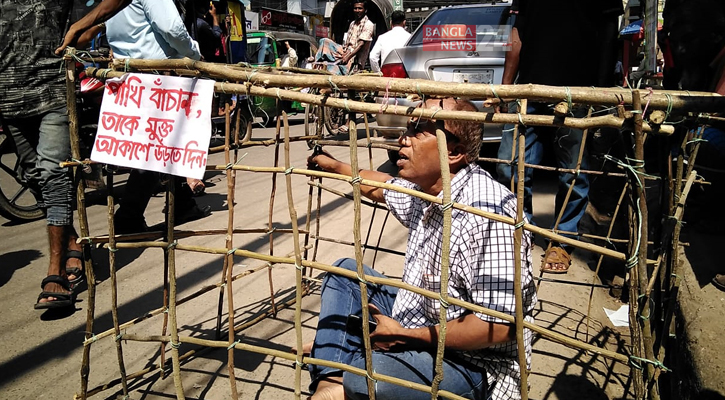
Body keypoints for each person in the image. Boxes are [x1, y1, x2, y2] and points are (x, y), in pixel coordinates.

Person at [307, 98, 537, 400]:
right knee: (344, 274)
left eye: (418, 131)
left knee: (374, 380)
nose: (404, 139)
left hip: (471, 362)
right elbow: (381, 186)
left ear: (453, 152)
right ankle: (332, 381)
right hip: (419, 318)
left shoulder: (488, 213)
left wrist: (406, 336)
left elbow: (497, 326)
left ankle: (342, 373)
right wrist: (334, 165)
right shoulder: (427, 191)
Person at [495, 0, 622, 274]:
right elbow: (517, 35)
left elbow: (611, 32)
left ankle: (563, 240)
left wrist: (599, 89)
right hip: (530, 88)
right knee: (509, 165)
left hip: (577, 90)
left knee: (573, 173)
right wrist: (506, 86)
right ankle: (522, 230)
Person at [1, 0, 96, 309]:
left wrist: (79, 32)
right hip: (8, 99)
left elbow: (97, 19)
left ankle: (54, 270)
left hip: (53, 90)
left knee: (53, 172)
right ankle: (72, 242)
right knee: (30, 174)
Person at [105, 0, 211, 233]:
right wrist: (194, 53)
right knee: (157, 147)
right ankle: (129, 215)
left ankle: (182, 203)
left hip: (131, 76)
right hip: (156, 79)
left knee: (161, 143)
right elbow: (172, 29)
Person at [313, 0, 374, 75]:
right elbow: (346, 42)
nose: (357, 11)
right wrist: (345, 53)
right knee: (324, 41)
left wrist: (347, 57)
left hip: (355, 57)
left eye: (360, 8)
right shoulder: (352, 24)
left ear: (365, 10)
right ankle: (317, 64)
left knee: (332, 71)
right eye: (355, 8)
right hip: (345, 51)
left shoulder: (368, 24)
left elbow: (361, 44)